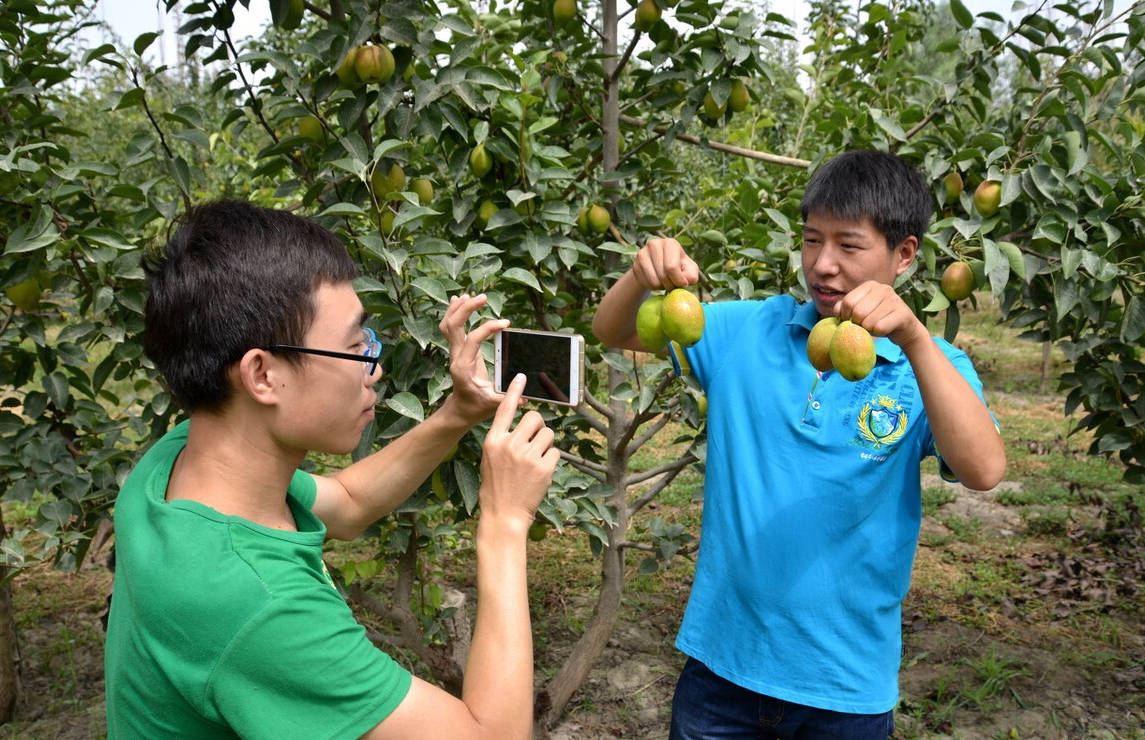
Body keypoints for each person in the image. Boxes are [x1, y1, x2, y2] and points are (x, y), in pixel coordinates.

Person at [104, 199, 559, 739]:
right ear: (263, 375)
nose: (375, 365)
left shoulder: (178, 460)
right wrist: (505, 523)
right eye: (354, 345)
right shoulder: (258, 606)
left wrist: (458, 413)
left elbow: (347, 503)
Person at [592, 150, 1006, 739]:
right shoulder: (748, 330)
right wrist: (641, 275)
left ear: (905, 255)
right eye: (812, 241)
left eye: (849, 245)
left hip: (845, 685)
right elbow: (615, 332)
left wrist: (914, 338)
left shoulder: (932, 367)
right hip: (722, 670)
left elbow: (985, 469)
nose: (824, 265)